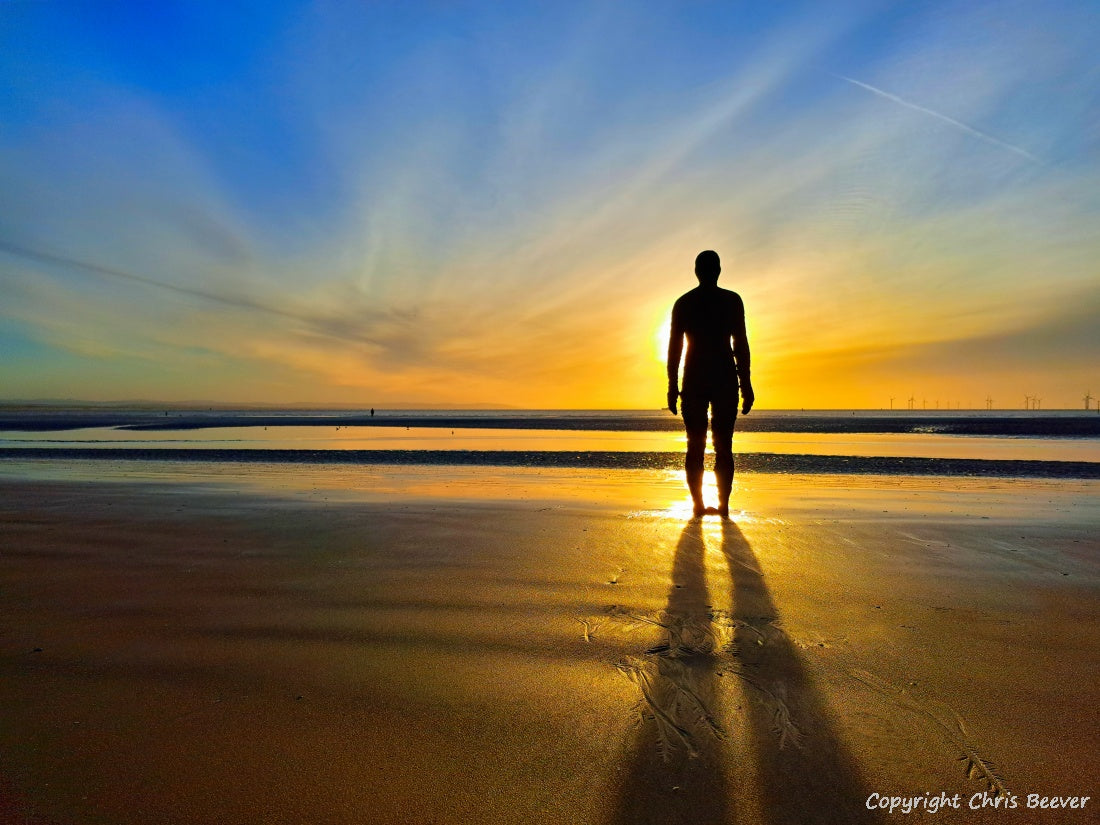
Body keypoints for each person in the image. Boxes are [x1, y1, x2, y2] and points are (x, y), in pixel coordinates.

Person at [666, 250, 754, 518]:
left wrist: (672, 384)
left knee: (698, 444)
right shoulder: (730, 301)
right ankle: (717, 506)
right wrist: (746, 382)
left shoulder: (685, 303)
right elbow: (740, 344)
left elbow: (674, 348)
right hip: (723, 378)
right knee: (721, 444)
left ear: (697, 271)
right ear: (717, 270)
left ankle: (701, 505)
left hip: (696, 378)